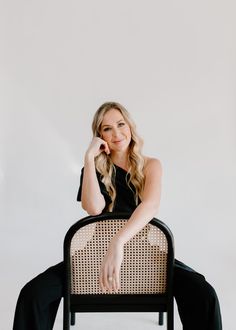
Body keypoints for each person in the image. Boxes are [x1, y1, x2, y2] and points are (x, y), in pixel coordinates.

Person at [13, 101, 222, 330]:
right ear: (99, 135)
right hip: (94, 256)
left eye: (121, 124)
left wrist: (118, 241)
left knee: (204, 295)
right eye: (107, 128)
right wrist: (88, 159)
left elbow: (150, 206)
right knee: (33, 294)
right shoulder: (94, 169)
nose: (116, 133)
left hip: (145, 255)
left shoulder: (151, 165)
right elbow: (93, 208)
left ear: (130, 127)